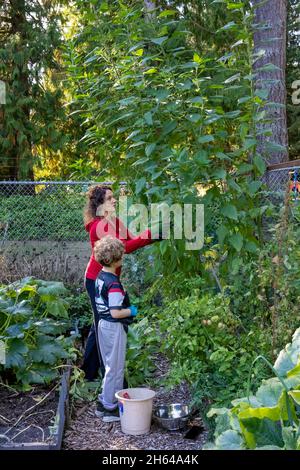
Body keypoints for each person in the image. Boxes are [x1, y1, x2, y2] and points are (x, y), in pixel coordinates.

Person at [82, 185, 161, 381]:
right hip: (97, 280)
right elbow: (122, 248)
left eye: (113, 197)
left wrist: (154, 234)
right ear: (99, 204)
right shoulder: (96, 227)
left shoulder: (113, 220)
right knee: (103, 325)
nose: (115, 200)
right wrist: (152, 234)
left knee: (98, 323)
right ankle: (107, 375)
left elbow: (131, 242)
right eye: (109, 198)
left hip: (110, 278)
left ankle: (88, 372)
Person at [93, 235, 137, 422]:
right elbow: (116, 313)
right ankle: (111, 409)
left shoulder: (100, 276)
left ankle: (103, 403)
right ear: (116, 259)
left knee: (110, 365)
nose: (123, 258)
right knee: (116, 368)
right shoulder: (114, 284)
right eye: (122, 255)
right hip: (113, 327)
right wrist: (132, 310)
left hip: (102, 326)